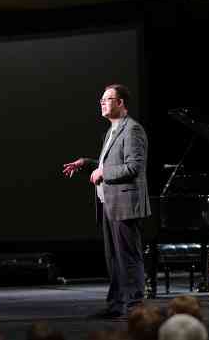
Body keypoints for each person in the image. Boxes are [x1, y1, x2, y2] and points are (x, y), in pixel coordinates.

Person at [63, 84, 151, 318]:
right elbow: (108, 165)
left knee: (128, 258)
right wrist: (87, 164)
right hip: (108, 204)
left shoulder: (132, 130)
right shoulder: (111, 131)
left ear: (120, 102)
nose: (102, 103)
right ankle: (116, 305)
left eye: (107, 99)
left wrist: (103, 172)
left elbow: (133, 167)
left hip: (124, 205)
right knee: (113, 259)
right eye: (101, 99)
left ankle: (135, 309)